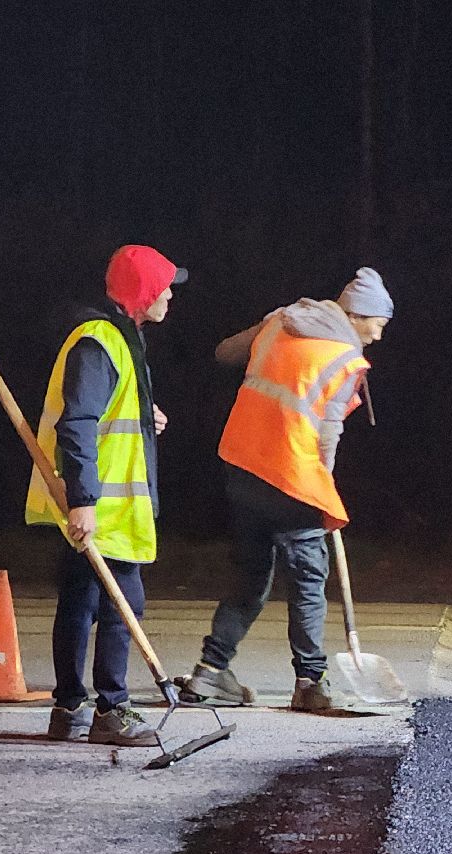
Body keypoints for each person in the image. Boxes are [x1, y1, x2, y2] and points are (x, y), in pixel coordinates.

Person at [180, 267, 393, 712]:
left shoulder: (282, 320)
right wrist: (324, 493)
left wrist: (267, 336)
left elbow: (224, 354)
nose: (377, 336)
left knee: (250, 575)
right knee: (308, 580)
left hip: (241, 463)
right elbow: (327, 435)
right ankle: (310, 682)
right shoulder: (344, 359)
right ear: (358, 316)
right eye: (378, 324)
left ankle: (209, 673)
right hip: (292, 477)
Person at [27, 244, 187, 744]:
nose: (169, 297)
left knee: (79, 601)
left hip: (100, 502)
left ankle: (68, 708)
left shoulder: (118, 340)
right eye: (163, 287)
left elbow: (104, 415)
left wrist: (143, 418)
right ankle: (111, 710)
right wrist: (83, 500)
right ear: (143, 294)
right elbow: (77, 423)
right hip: (103, 507)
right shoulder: (100, 341)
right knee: (123, 604)